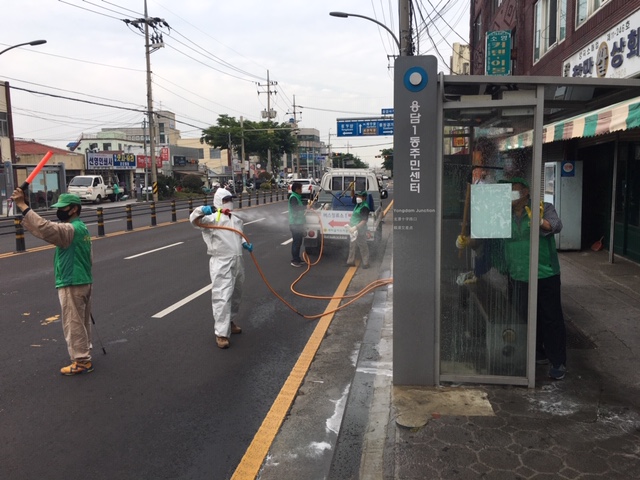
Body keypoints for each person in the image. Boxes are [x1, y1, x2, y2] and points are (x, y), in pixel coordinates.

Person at [457, 177, 567, 379]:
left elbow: (556, 226)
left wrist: (539, 220)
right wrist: (466, 241)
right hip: (517, 274)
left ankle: (558, 361)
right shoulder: (503, 214)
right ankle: (536, 352)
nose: (509, 196)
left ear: (525, 192)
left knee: (550, 317)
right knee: (523, 316)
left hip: (545, 274)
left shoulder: (545, 207)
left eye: (513, 191)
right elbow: (485, 239)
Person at [11, 189, 94, 375]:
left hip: (72, 281)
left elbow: (45, 228)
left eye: (63, 208)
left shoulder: (70, 229)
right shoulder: (82, 228)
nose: (60, 211)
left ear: (73, 209)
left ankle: (81, 361)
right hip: (83, 280)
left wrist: (23, 206)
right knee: (81, 322)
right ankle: (84, 354)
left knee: (73, 323)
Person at [190, 188, 253, 349]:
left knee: (236, 294)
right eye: (226, 200)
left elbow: (237, 236)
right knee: (222, 296)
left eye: (230, 199)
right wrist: (201, 210)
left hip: (238, 260)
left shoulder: (236, 219)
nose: (229, 202)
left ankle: (229, 322)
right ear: (219, 201)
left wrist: (244, 244)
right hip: (221, 261)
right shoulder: (211, 218)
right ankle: (221, 333)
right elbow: (193, 220)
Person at [346, 190, 370, 269]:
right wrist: (352, 188)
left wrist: (356, 227)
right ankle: (350, 262)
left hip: (360, 230)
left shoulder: (365, 207)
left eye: (360, 196)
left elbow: (364, 220)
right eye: (357, 196)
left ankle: (366, 263)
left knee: (363, 246)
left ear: (364, 197)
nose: (357, 198)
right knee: (352, 246)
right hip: (353, 229)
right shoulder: (358, 204)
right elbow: (352, 197)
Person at [288, 181, 306, 267]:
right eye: (300, 188)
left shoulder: (297, 197)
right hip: (295, 223)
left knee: (299, 242)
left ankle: (297, 259)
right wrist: (306, 207)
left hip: (299, 223)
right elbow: (296, 208)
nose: (301, 190)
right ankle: (294, 260)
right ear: (296, 189)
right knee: (296, 242)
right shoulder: (293, 197)